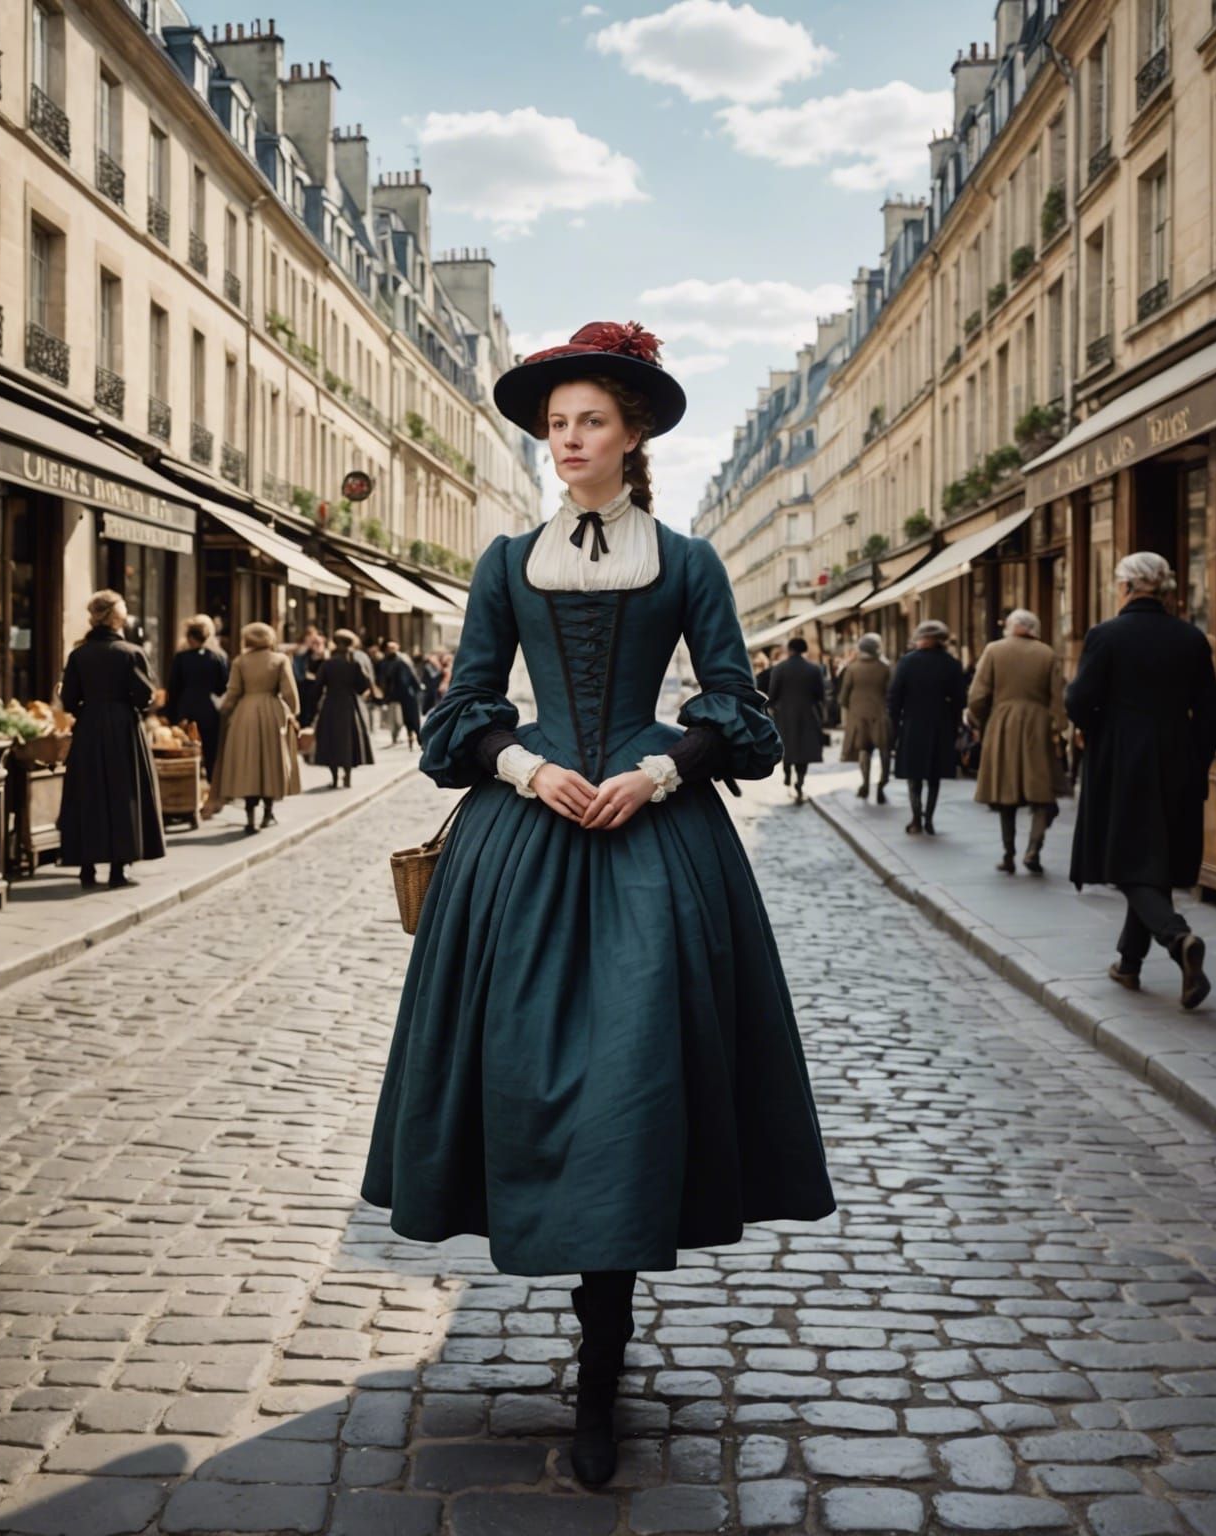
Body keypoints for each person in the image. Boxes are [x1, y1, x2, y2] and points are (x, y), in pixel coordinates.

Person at [361, 320, 834, 1489]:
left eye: (590, 423)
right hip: (523, 839)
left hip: (653, 841)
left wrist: (660, 772)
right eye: (557, 424)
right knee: (523, 1070)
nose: (568, 439)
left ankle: (605, 1357)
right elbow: (462, 709)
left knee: (634, 1078)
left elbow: (738, 706)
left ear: (632, 438)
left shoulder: (688, 561)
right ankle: (577, 1308)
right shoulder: (504, 561)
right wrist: (526, 768)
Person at [1066, 552, 1216, 1010]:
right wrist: (1196, 762)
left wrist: (1096, 725)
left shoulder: (1106, 635)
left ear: (1126, 587)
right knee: (1154, 859)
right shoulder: (1191, 639)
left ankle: (1177, 938)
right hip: (1177, 757)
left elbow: (1079, 701)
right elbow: (1211, 713)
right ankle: (1129, 962)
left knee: (1127, 861)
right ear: (1165, 588)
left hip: (1122, 759)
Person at [56, 590, 165, 889]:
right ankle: (118, 869)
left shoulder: (79, 655)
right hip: (123, 726)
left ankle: (87, 868)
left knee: (87, 793)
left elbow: (69, 700)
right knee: (123, 793)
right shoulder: (130, 653)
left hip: (89, 728)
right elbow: (145, 696)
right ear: (116, 618)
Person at [967, 609, 1067, 874]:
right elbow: (1058, 698)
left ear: (1010, 627)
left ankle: (1008, 853)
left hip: (1003, 724)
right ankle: (1033, 849)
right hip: (1038, 725)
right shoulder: (1047, 653)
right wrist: (1058, 728)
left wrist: (983, 720)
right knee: (1042, 792)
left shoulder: (994, 650)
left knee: (1005, 792)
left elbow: (977, 696)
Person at [213, 621, 302, 835]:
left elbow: (233, 691)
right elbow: (289, 692)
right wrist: (293, 711)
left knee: (248, 764)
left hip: (245, 714)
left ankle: (250, 818)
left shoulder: (240, 661)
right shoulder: (279, 660)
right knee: (270, 763)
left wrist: (224, 710)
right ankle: (267, 813)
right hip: (272, 712)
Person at [888, 619, 966, 835]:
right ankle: (929, 819)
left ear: (921, 639)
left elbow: (894, 697)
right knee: (934, 775)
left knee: (914, 775)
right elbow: (960, 699)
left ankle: (916, 819)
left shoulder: (907, 662)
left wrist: (894, 726)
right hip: (941, 725)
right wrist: (955, 724)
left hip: (913, 724)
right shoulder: (951, 663)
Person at [165, 615, 231, 779]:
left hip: (186, 707)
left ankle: (187, 782)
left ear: (190, 637)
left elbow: (174, 687)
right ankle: (211, 782)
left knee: (185, 747)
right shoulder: (218, 657)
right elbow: (223, 686)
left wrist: (170, 713)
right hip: (209, 708)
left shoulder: (181, 658)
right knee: (211, 749)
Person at [765, 636, 826, 802]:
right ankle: (800, 781)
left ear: (789, 650)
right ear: (804, 649)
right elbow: (820, 695)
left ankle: (787, 773)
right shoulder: (814, 669)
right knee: (803, 750)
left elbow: (772, 695)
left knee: (787, 746)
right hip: (807, 714)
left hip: (784, 715)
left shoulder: (779, 669)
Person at [313, 629, 375, 787]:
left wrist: (313, 707)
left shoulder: (328, 663)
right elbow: (363, 686)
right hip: (350, 705)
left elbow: (317, 687)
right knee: (349, 741)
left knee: (331, 740)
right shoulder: (354, 663)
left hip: (331, 704)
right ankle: (347, 776)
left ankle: (334, 779)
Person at [837, 633, 893, 803]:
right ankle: (882, 784)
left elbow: (843, 697)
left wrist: (854, 708)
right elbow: (892, 693)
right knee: (884, 751)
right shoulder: (886, 668)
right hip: (881, 715)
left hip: (858, 716)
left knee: (864, 751)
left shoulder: (852, 668)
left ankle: (865, 784)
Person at [375, 640, 422, 749]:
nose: (391, 650)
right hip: (394, 694)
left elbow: (412, 674)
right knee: (397, 718)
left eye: (393, 648)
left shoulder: (403, 659)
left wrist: (417, 687)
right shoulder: (385, 662)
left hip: (407, 693)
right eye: (389, 648)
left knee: (412, 718)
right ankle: (398, 737)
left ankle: (417, 738)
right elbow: (382, 678)